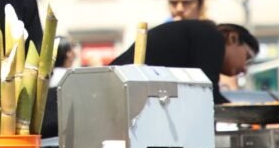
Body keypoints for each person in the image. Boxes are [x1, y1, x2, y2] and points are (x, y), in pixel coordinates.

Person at [109, 20, 257, 104]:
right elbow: (207, 95)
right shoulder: (212, 37)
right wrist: (244, 115)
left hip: (118, 86)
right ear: (232, 38)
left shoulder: (201, 37)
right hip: (121, 90)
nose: (244, 69)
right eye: (247, 58)